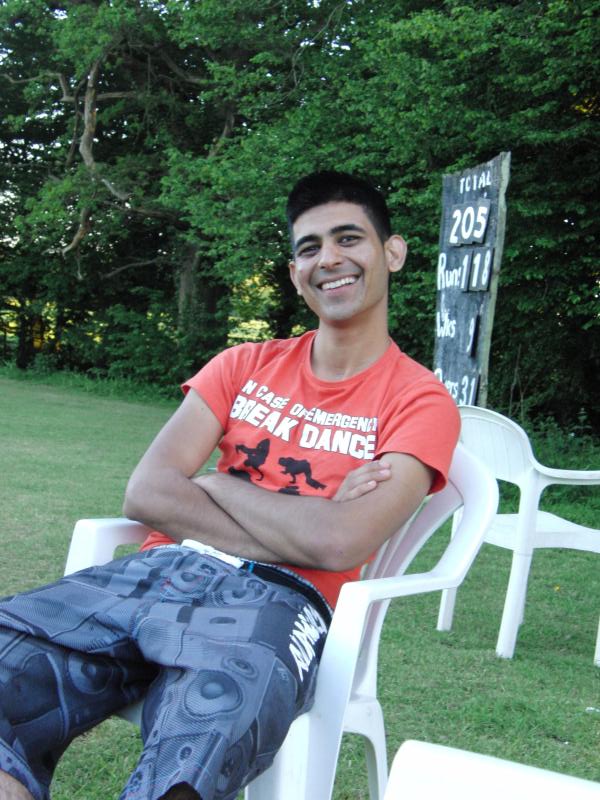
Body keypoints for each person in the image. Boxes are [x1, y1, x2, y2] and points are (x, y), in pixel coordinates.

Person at [0, 171, 460, 800]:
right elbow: (147, 493)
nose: (328, 259)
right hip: (154, 573)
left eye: (349, 238)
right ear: (295, 273)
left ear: (393, 252)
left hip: (277, 602)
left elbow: (340, 544)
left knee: (194, 757)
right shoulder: (243, 365)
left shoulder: (419, 401)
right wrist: (309, 519)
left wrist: (218, 483)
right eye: (309, 247)